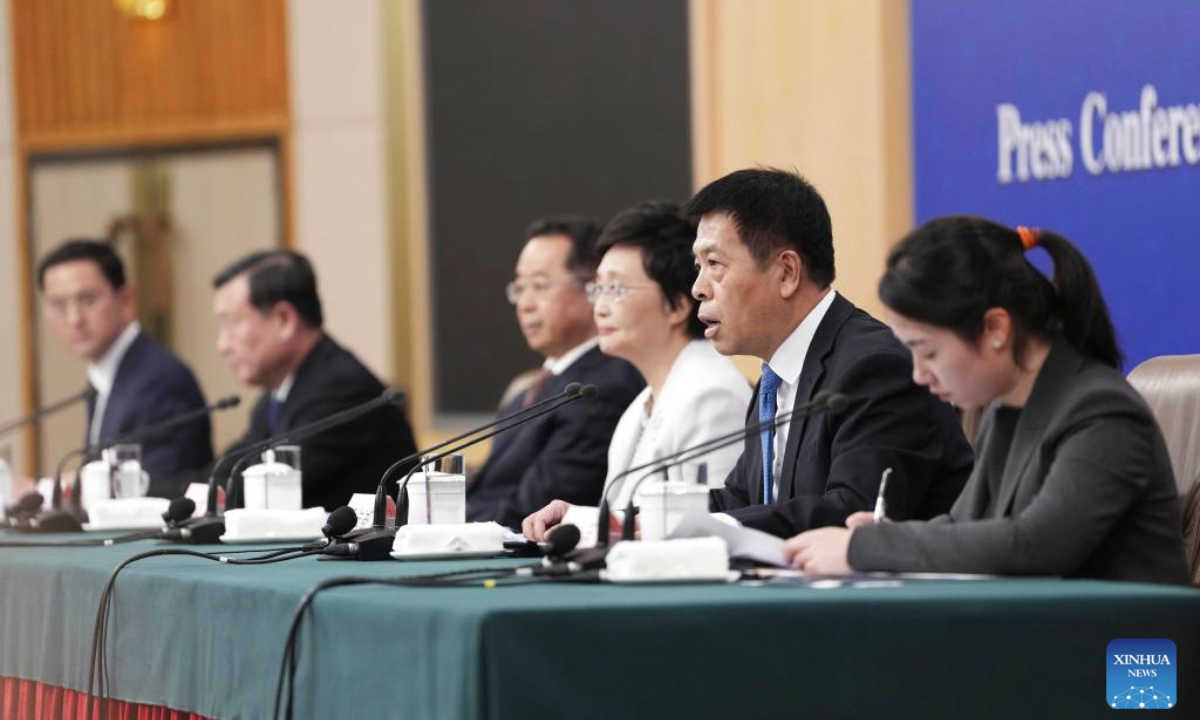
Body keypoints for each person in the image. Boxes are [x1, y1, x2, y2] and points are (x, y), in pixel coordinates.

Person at [784, 217, 1190, 584]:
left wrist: (864, 550)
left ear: (995, 328)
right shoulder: (1005, 406)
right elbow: (965, 523)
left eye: (928, 352)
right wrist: (880, 533)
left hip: (1134, 657)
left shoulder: (1103, 412)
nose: (919, 375)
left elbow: (1034, 546)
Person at [688, 168, 973, 537]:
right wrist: (637, 521)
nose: (698, 288)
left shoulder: (875, 367)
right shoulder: (773, 382)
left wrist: (705, 527)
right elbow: (743, 499)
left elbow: (852, 513)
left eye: (714, 265)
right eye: (699, 267)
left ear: (787, 272)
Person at [521, 201, 752, 541]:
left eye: (615, 289)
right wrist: (580, 519)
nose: (599, 307)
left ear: (676, 304)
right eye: (597, 288)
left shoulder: (712, 396)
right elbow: (636, 521)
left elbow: (711, 532)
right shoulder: (641, 404)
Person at [466, 217, 645, 530]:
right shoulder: (530, 388)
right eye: (519, 288)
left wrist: (445, 524)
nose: (525, 304)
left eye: (539, 285)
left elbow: (532, 508)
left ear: (592, 290)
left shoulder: (602, 388)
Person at [212, 249, 418, 510]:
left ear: (285, 320)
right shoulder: (278, 394)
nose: (222, 346)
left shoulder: (341, 390)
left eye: (231, 324)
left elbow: (261, 492)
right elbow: (230, 468)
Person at [38, 239, 212, 496]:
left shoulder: (159, 379)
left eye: (87, 300)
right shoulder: (104, 376)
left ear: (126, 300)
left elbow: (152, 487)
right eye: (59, 305)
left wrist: (47, 490)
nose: (74, 319)